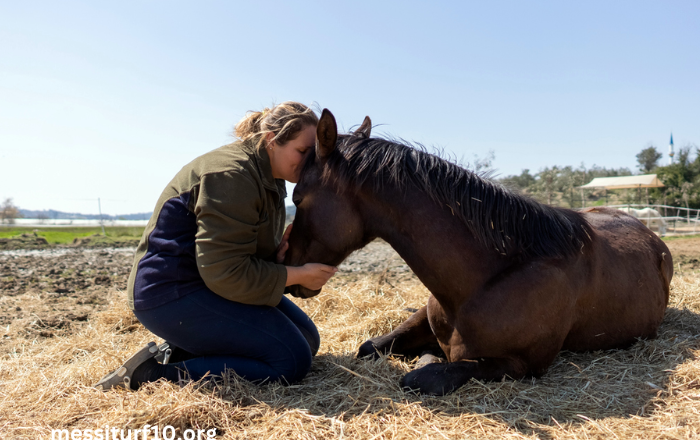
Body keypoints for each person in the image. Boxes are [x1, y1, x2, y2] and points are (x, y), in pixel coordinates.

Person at [95, 102, 338, 391]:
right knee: (290, 362)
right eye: (302, 151)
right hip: (171, 294)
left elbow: (236, 253)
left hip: (208, 285)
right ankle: (146, 376)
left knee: (307, 340)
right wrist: (296, 275)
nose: (310, 161)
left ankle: (188, 350)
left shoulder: (269, 176)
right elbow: (225, 271)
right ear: (272, 140)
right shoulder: (231, 174)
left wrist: (279, 260)